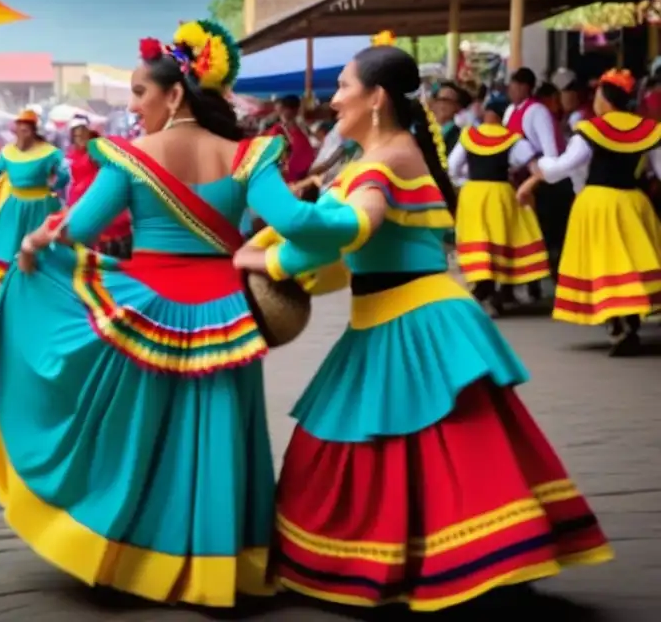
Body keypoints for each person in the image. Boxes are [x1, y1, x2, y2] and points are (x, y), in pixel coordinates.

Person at [0, 20, 349, 607]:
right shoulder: (251, 154)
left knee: (142, 434)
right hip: (229, 313)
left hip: (148, 307)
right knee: (220, 430)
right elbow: (295, 225)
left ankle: (136, 555)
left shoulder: (129, 157)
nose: (135, 104)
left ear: (175, 93)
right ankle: (223, 568)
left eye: (142, 92)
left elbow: (81, 229)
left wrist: (36, 244)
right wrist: (350, 223)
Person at [236, 45, 611, 611]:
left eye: (342, 86)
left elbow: (349, 228)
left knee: (439, 454)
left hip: (415, 320)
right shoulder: (374, 156)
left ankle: (460, 565)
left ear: (376, 97)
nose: (332, 99)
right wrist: (273, 253)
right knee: (391, 452)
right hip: (394, 317)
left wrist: (261, 202)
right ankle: (424, 562)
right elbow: (339, 256)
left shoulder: (386, 160)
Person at [517, 69, 661, 356]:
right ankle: (628, 323)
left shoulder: (591, 130)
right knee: (629, 264)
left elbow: (561, 168)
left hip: (596, 205)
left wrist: (537, 167)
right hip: (632, 203)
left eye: (597, 95)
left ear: (606, 99)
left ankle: (617, 325)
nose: (594, 101)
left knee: (604, 265)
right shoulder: (649, 131)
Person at [448, 108, 549, 314]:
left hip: (473, 193)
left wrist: (465, 180)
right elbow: (537, 170)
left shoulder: (468, 136)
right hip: (500, 193)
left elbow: (453, 167)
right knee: (499, 239)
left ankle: (484, 287)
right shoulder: (513, 140)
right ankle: (493, 289)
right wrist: (525, 187)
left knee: (478, 240)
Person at [0, 108, 69, 280]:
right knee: (9, 242)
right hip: (15, 205)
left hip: (41, 205)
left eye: (26, 128)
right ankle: (13, 279)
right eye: (19, 128)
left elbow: (64, 174)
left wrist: (54, 187)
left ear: (33, 130)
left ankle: (42, 278)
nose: (22, 132)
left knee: (41, 244)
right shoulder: (7, 152)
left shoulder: (49, 152)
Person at [503, 67, 573, 275]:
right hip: (520, 179)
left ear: (525, 87)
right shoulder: (510, 111)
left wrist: (533, 165)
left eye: (514, 86)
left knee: (547, 232)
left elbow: (550, 152)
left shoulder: (537, 111)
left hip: (544, 182)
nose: (510, 90)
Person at [65, 113, 132, 257]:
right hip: (81, 211)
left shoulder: (98, 150)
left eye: (83, 131)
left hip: (104, 210)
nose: (80, 136)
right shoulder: (70, 156)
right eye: (76, 134)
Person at [431, 81, 469, 155]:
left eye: (448, 101)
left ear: (457, 107)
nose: (443, 104)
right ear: (434, 104)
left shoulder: (459, 137)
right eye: (440, 100)